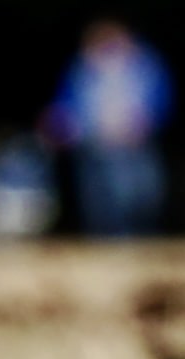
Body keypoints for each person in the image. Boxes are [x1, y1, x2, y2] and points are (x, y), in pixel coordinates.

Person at [51, 19, 171, 242]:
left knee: (141, 195)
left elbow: (161, 100)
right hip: (96, 144)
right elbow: (67, 105)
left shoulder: (145, 65)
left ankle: (142, 238)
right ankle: (107, 240)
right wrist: (62, 124)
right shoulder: (81, 69)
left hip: (135, 145)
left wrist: (145, 122)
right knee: (100, 199)